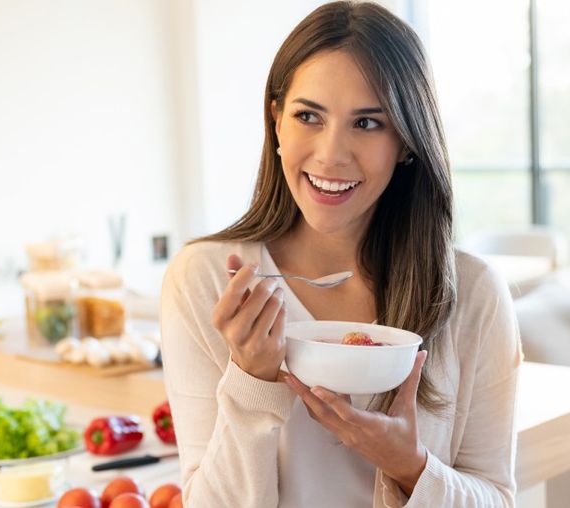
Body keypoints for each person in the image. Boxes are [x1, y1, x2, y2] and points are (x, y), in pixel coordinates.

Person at [159, 2, 522, 507]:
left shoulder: (472, 292)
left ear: (406, 142)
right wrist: (250, 383)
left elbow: (497, 498)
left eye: (368, 123)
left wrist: (410, 468)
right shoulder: (208, 280)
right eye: (309, 116)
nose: (331, 154)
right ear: (277, 122)